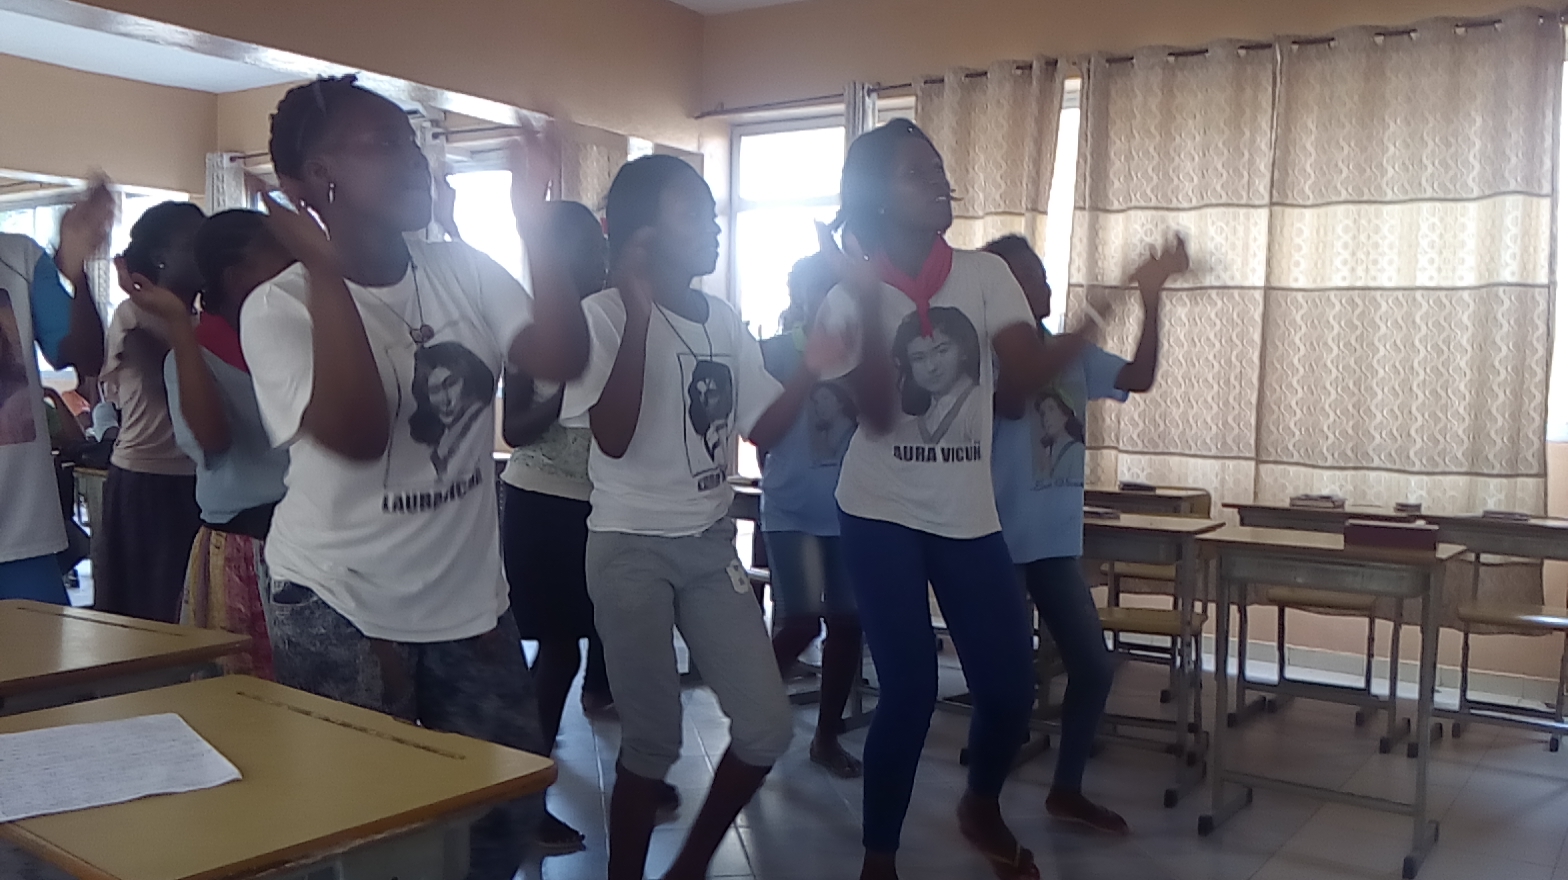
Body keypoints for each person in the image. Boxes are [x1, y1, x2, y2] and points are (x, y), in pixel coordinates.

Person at [241, 75, 588, 880]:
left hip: (464, 597)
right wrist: (325, 270)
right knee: (368, 831)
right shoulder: (279, 307)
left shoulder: (462, 268)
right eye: (382, 145)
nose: (412, 161)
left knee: (505, 809)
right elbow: (360, 436)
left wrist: (534, 226)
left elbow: (560, 358)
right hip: (339, 598)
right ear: (314, 178)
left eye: (413, 142)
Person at [810, 119, 1118, 880]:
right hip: (878, 509)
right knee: (911, 689)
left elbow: (1024, 378)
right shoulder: (847, 296)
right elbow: (871, 414)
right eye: (917, 173)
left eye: (940, 168)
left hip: (965, 511)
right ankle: (879, 858)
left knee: (1010, 687)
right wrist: (862, 304)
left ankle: (980, 804)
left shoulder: (985, 276)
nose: (939, 182)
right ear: (879, 198)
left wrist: (1097, 315)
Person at [560, 154, 823, 880]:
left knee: (765, 727)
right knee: (652, 742)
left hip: (709, 546)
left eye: (713, 211)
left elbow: (762, 428)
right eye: (696, 212)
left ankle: (688, 870)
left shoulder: (724, 319)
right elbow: (613, 437)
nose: (714, 225)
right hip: (629, 549)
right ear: (643, 234)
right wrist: (640, 314)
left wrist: (811, 366)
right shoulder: (602, 316)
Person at [984, 232, 1187, 836]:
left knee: (1093, 670)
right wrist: (1107, 301)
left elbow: (1139, 376)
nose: (1042, 284)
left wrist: (1150, 299)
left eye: (1041, 272)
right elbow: (1014, 398)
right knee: (1010, 685)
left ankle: (1066, 790)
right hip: (997, 544)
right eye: (1026, 277)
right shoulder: (987, 355)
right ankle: (983, 806)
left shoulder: (1069, 353)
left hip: (1053, 545)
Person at [498, 199, 654, 856]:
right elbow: (514, 428)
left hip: (606, 507)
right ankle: (525, 803)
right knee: (560, 652)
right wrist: (568, 392)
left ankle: (639, 779)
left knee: (621, 646)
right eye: (586, 249)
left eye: (601, 247)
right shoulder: (532, 329)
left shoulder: (617, 317)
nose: (599, 259)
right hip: (544, 506)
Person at [122, 209, 295, 678]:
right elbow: (213, 439)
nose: (298, 274)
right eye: (284, 263)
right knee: (248, 693)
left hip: (308, 535)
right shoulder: (195, 353)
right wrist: (179, 327)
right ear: (237, 279)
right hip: (246, 547)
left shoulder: (296, 339)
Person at [757, 252, 864, 779]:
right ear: (799, 298)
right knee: (800, 619)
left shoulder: (862, 358)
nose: (824, 301)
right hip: (791, 510)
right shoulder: (776, 353)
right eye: (814, 290)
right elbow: (759, 430)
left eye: (834, 289)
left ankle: (826, 736)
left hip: (850, 512)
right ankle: (752, 715)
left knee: (847, 622)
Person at [0, 181, 111, 603]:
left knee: (45, 647)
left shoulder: (18, 258)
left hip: (21, 536)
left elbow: (85, 357)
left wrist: (78, 272)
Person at [96, 201, 205, 623]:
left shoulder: (207, 318)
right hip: (145, 479)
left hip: (198, 480)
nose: (206, 250)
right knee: (145, 611)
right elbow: (167, 382)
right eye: (194, 243)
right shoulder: (134, 314)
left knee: (188, 610)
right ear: (162, 257)